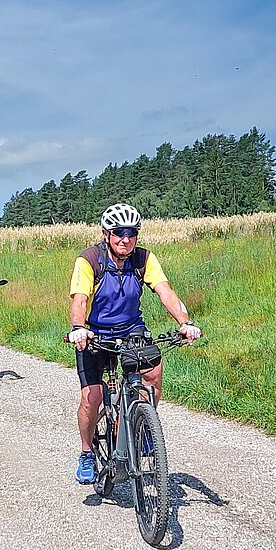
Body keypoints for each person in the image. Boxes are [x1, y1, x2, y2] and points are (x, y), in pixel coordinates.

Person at [68, 203, 202, 484]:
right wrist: (79, 328)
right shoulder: (90, 259)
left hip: (132, 329)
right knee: (91, 397)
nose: (125, 239)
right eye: (119, 232)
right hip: (96, 333)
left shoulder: (143, 259)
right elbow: (80, 299)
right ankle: (86, 453)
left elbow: (166, 292)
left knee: (152, 374)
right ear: (106, 234)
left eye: (131, 233)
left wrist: (185, 321)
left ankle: (141, 426)